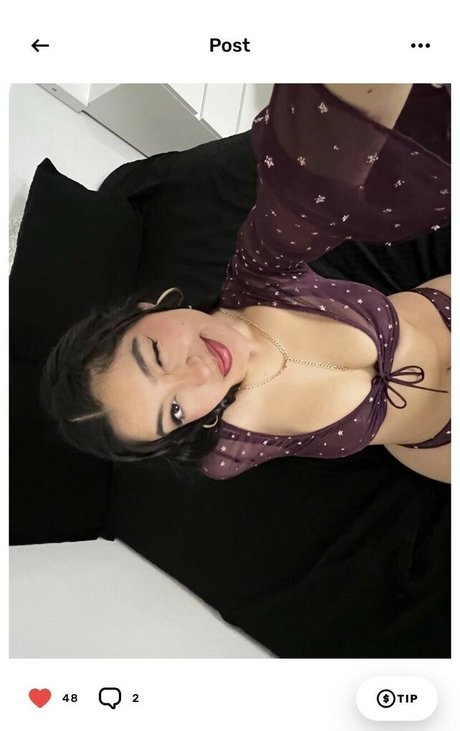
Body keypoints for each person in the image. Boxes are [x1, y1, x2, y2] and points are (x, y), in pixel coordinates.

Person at [40, 84, 451, 483]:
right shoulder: (229, 451)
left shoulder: (260, 277)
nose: (198, 374)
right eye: (176, 411)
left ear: (144, 309)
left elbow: (311, 181)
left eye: (158, 355)